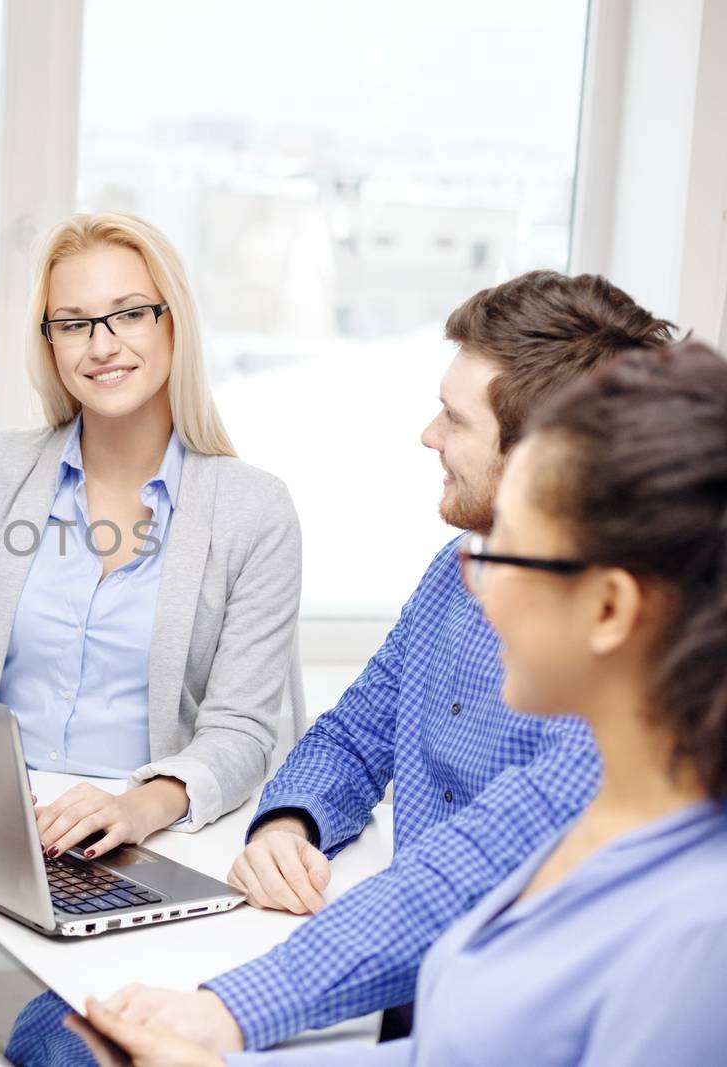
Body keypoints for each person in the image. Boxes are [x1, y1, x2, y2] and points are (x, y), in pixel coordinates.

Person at [79, 340, 727, 1066]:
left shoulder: (697, 931)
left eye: (506, 552)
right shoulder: (629, 812)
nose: (475, 584)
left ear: (609, 606)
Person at [0, 211, 303, 871]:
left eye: (128, 314)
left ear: (172, 321)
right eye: (74, 323)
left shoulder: (254, 510)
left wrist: (138, 806)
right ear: (51, 344)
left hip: (154, 839)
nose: (102, 345)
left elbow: (240, 732)